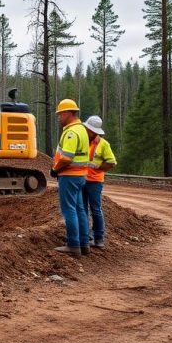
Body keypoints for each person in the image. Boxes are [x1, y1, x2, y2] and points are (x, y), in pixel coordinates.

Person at [50, 99, 90, 255]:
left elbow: (66, 157)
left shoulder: (71, 132)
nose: (59, 117)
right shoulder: (82, 130)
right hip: (80, 176)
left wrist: (55, 169)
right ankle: (84, 243)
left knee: (69, 210)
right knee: (80, 209)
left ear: (68, 113)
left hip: (69, 176)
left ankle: (73, 245)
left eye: (60, 114)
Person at [82, 115, 117, 249]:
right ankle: (87, 237)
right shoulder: (82, 141)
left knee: (96, 210)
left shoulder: (103, 144)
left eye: (88, 129)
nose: (86, 131)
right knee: (83, 209)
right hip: (81, 179)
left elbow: (111, 163)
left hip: (95, 182)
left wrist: (97, 166)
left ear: (95, 132)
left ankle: (99, 238)